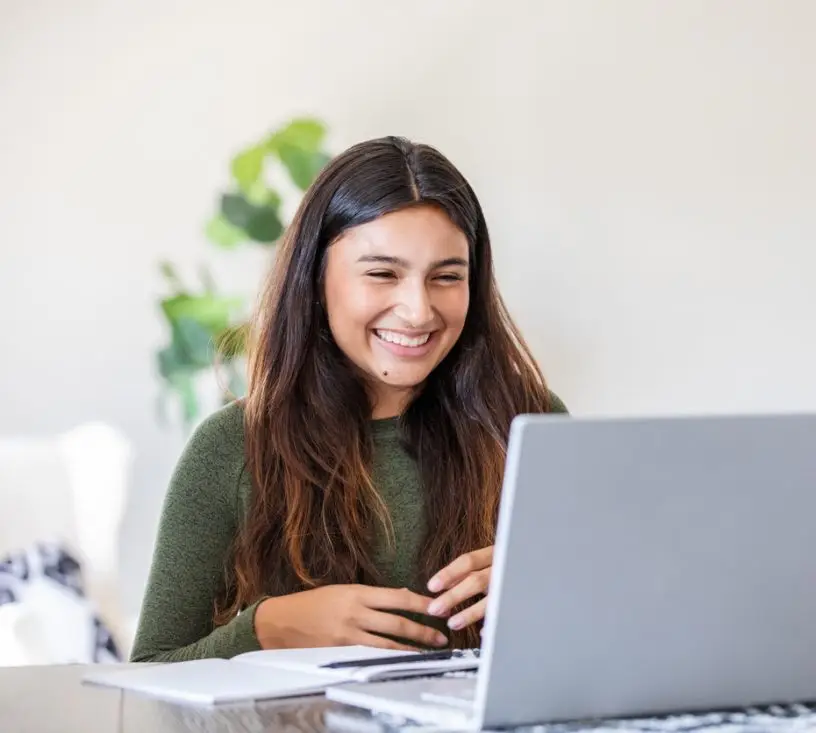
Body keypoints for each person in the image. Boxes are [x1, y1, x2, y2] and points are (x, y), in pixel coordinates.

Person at [130, 136, 567, 663]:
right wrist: (269, 627)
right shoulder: (231, 448)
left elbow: (611, 635)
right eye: (382, 273)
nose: (417, 311)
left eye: (447, 277)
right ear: (317, 280)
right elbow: (151, 675)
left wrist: (557, 587)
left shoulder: (531, 424)